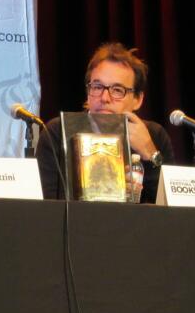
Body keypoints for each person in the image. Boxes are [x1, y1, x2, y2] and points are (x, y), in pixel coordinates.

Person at [36, 42, 174, 203]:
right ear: (88, 92)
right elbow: (47, 205)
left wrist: (151, 155)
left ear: (138, 99)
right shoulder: (57, 132)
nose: (104, 98)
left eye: (117, 90)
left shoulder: (154, 135)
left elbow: (168, 206)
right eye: (97, 87)